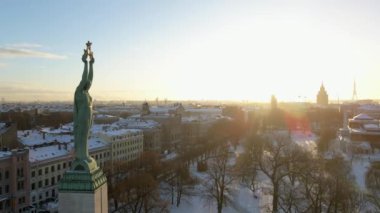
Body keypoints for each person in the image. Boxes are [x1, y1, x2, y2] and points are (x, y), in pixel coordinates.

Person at [73, 49, 94, 162]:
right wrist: (85, 63)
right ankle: (81, 156)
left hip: (87, 118)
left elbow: (90, 78)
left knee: (85, 137)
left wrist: (92, 64)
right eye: (87, 83)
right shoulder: (79, 92)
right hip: (81, 118)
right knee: (81, 136)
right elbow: (85, 78)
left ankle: (84, 154)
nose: (89, 83)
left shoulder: (86, 93)